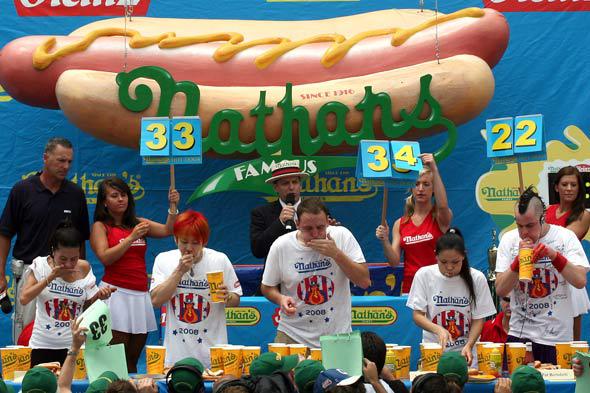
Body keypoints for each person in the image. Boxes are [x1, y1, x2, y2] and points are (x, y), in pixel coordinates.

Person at [0, 137, 90, 342]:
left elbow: (81, 240)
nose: (66, 166)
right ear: (45, 158)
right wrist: (0, 275)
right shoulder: (22, 190)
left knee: (65, 334)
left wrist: (81, 276)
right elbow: (4, 233)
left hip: (65, 275)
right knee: (26, 334)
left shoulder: (76, 194)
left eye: (69, 162)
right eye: (60, 160)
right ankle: (26, 374)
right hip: (31, 272)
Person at [90, 176, 179, 373]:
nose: (121, 199)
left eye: (124, 195)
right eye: (114, 196)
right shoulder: (100, 226)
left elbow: (168, 229)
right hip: (116, 294)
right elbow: (105, 257)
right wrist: (131, 238)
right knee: (116, 357)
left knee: (133, 358)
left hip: (140, 296)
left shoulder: (138, 223)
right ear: (104, 202)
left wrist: (173, 207)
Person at [495, 186, 589, 364]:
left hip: (557, 338)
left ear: (543, 218)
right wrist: (517, 262)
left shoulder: (565, 237)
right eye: (519, 225)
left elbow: (580, 280)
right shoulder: (509, 239)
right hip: (519, 336)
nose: (524, 232)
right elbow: (500, 289)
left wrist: (553, 256)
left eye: (530, 225)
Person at [261, 197, 370, 347]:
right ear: (297, 224)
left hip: (337, 335)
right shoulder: (281, 245)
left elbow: (364, 281)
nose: (315, 233)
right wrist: (280, 299)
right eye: (308, 229)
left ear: (328, 222)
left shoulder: (342, 236)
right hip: (293, 334)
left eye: (320, 227)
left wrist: (336, 254)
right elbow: (267, 287)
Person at [150, 210, 242, 368]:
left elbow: (236, 300)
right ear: (175, 239)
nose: (189, 248)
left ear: (204, 242)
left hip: (213, 353)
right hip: (176, 355)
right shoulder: (164, 259)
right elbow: (155, 301)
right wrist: (179, 271)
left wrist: (227, 296)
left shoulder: (219, 259)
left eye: (195, 243)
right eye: (184, 242)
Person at [19, 223, 114, 366]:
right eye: (63, 259)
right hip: (42, 344)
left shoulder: (84, 268)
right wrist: (50, 277)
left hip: (74, 345)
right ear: (53, 251)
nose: (69, 264)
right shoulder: (41, 265)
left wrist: (100, 296)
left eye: (74, 259)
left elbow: (86, 307)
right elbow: (24, 298)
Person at [406, 229, 496, 363]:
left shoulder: (477, 278)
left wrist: (469, 345)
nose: (449, 267)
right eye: (443, 262)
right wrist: (438, 330)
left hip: (467, 355)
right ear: (435, 255)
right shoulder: (424, 275)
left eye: (455, 262)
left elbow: (479, 319)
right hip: (434, 353)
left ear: (464, 256)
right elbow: (417, 315)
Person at [375, 153, 452, 294]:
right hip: (410, 290)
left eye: (426, 184)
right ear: (411, 188)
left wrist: (434, 168)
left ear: (434, 189)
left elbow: (442, 205)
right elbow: (394, 261)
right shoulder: (401, 223)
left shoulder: (440, 217)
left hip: (439, 288)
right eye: (416, 184)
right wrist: (385, 241)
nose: (421, 188)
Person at [546, 165, 590, 340]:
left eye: (574, 184)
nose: (569, 189)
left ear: (579, 188)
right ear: (557, 187)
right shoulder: (547, 210)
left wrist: (539, 227)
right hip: (546, 276)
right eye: (565, 184)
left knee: (571, 339)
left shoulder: (584, 214)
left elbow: (563, 241)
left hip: (569, 276)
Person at [250, 159, 309, 260]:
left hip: (310, 269)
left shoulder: (316, 209)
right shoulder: (261, 213)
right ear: (276, 187)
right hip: (279, 272)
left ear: (300, 185)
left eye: (294, 182)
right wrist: (279, 223)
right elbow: (258, 251)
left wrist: (330, 231)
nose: (291, 187)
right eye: (285, 183)